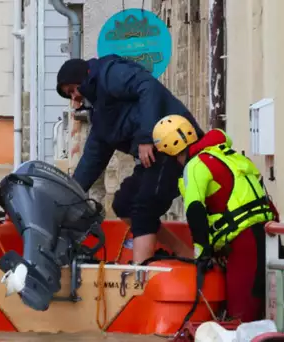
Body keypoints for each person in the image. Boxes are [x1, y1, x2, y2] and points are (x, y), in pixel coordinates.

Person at [56, 54, 203, 263]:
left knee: (144, 207)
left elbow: (148, 87)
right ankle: (184, 253)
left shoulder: (109, 73)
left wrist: (145, 137)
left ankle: (140, 274)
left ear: (83, 77)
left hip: (174, 145)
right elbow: (92, 158)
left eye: (72, 90)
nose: (74, 99)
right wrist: (67, 194)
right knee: (124, 204)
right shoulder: (101, 115)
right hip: (153, 154)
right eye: (69, 95)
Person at [151, 114, 277, 322]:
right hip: (266, 234)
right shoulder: (224, 154)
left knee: (241, 314)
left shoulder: (194, 167)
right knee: (260, 307)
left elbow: (195, 211)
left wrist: (202, 254)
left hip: (244, 241)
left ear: (170, 153)